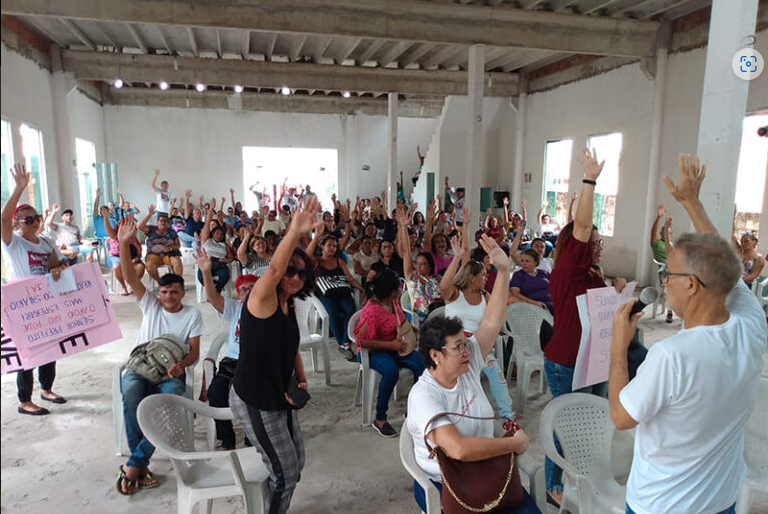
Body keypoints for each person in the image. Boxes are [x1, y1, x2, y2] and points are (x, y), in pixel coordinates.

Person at [609, 154, 767, 514]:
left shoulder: (673, 355)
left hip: (663, 505)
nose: (664, 284)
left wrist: (618, 346)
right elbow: (723, 261)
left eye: (669, 276)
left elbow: (621, 416)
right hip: (721, 500)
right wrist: (692, 203)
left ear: (692, 285)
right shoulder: (752, 325)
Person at [406, 234, 540, 514]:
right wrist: (511, 445)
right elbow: (459, 450)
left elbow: (492, 320)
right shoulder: (424, 395)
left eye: (466, 344)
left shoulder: (466, 366)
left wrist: (503, 271)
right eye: (458, 347)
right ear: (435, 355)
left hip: (485, 468)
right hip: (449, 482)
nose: (468, 351)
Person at [543, 148, 626, 504]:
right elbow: (580, 225)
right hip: (567, 362)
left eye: (598, 242)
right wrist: (590, 179)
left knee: (592, 426)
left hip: (595, 360)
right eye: (594, 242)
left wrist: (617, 289)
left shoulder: (592, 275)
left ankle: (586, 475)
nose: (597, 247)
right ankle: (553, 485)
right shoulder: (567, 271)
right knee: (566, 428)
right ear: (575, 246)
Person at [229, 196, 320, 514]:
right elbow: (280, 266)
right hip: (256, 398)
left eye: (301, 275)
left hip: (280, 393)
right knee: (285, 474)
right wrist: (294, 230)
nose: (294, 278)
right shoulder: (261, 297)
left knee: (296, 463)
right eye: (289, 273)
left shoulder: (288, 301)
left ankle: (273, 499)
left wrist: (303, 377)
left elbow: (290, 343)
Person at [114, 214, 203, 495]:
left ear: (181, 293)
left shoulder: (193, 315)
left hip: (170, 371)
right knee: (131, 396)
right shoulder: (150, 304)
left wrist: (181, 365)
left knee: (170, 401)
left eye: (174, 292)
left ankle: (134, 466)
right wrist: (123, 243)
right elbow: (129, 276)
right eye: (164, 291)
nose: (168, 296)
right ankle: (139, 466)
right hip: (140, 367)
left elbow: (195, 353)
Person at [1, 164, 69, 415]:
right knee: (26, 354)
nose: (33, 222)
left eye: (36, 217)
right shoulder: (12, 243)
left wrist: (58, 267)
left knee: (50, 349)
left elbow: (60, 261)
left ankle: (46, 388)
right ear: (17, 224)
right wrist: (19, 188)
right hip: (22, 307)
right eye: (27, 219)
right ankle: (24, 400)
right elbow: (1, 220)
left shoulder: (46, 242)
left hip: (47, 303)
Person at [441, 229, 515, 424]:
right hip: (454, 347)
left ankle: (508, 416)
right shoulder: (455, 294)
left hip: (478, 347)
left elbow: (493, 322)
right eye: (482, 275)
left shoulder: (485, 296)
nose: (485, 278)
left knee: (497, 375)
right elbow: (443, 288)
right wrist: (457, 257)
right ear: (471, 276)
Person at [196, 247, 257, 450]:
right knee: (216, 394)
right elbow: (213, 298)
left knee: (250, 398)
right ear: (238, 294)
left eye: (252, 288)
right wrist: (206, 272)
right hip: (231, 362)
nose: (247, 292)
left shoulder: (267, 310)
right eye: (243, 290)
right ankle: (227, 438)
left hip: (255, 363)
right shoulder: (235, 308)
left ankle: (251, 440)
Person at [354, 269, 426, 437]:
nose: (401, 290)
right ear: (392, 291)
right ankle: (380, 419)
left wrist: (410, 329)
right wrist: (390, 345)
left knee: (421, 365)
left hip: (395, 345)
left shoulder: (393, 303)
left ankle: (414, 410)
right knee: (391, 371)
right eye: (399, 288)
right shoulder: (371, 311)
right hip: (372, 350)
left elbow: (400, 322)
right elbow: (360, 341)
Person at [309, 233, 364, 361]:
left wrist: (361, 289)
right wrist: (315, 236)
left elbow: (350, 278)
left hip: (342, 291)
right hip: (325, 294)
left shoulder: (339, 261)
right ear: (322, 247)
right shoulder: (317, 261)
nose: (332, 248)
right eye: (329, 245)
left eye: (334, 246)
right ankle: (342, 344)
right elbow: (306, 256)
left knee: (350, 309)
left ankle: (346, 342)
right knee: (332, 313)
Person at [397, 208, 442, 325]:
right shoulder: (412, 277)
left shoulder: (437, 279)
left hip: (437, 314)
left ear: (430, 266)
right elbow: (406, 251)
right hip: (419, 318)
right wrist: (403, 227)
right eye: (417, 264)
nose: (419, 267)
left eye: (423, 264)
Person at [197, 199, 236, 293]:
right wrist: (211, 209)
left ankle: (215, 291)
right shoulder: (206, 240)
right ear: (213, 233)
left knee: (225, 275)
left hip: (219, 263)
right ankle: (211, 290)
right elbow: (207, 224)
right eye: (217, 233)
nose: (219, 235)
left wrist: (226, 260)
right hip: (208, 261)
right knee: (201, 275)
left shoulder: (224, 244)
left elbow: (231, 257)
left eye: (221, 234)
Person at [103, 210, 145, 296]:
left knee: (141, 267)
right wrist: (105, 217)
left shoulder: (131, 237)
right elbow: (108, 229)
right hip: (116, 258)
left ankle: (133, 285)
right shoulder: (114, 235)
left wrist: (136, 258)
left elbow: (139, 249)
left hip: (130, 258)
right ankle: (123, 287)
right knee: (117, 266)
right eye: (120, 223)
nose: (122, 224)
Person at [138, 206, 183, 282]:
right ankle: (161, 282)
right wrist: (149, 214)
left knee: (177, 262)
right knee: (149, 266)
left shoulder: (172, 232)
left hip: (169, 255)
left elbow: (178, 244)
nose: (163, 222)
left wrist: (170, 248)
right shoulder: (151, 229)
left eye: (165, 221)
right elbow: (139, 226)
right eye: (161, 220)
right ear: (157, 222)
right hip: (153, 255)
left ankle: (177, 283)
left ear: (168, 224)